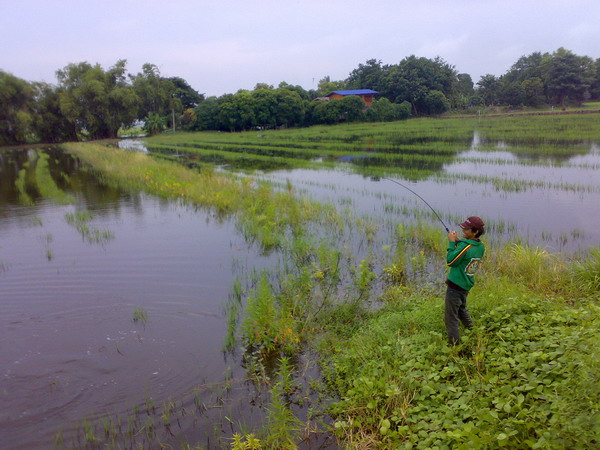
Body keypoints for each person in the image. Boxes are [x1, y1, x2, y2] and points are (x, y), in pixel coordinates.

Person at [444, 216, 485, 346]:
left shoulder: (465, 247)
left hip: (455, 287)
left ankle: (455, 346)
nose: (463, 231)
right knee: (461, 310)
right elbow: (466, 250)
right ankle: (473, 332)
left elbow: (450, 261)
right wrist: (458, 241)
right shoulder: (480, 246)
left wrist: (451, 243)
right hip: (465, 286)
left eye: (466, 229)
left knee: (450, 318)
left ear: (475, 232)